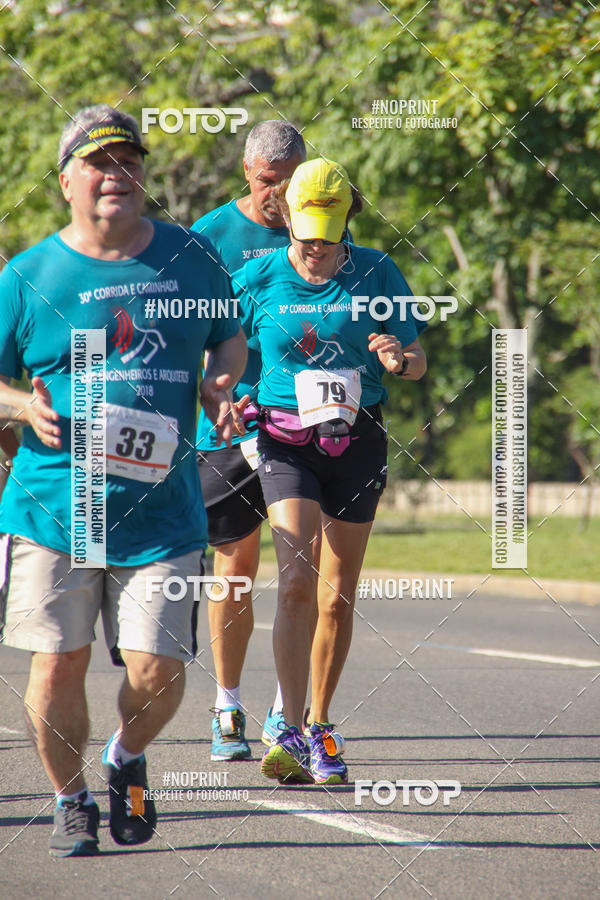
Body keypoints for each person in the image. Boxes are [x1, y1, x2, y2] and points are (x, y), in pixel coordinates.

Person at [0, 105, 247, 856]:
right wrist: (18, 405)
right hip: (54, 505)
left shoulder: (190, 258)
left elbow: (228, 340)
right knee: (58, 662)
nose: (117, 175)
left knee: (161, 670)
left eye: (129, 162)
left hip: (163, 512)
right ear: (68, 180)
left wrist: (220, 385)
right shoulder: (27, 275)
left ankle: (124, 758)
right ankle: (70, 798)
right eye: (100, 164)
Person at [232, 157, 427, 785]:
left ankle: (320, 724)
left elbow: (418, 359)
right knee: (294, 580)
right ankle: (287, 726)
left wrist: (398, 358)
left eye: (327, 237)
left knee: (337, 595)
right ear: (286, 219)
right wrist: (229, 395)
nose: (315, 250)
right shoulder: (256, 278)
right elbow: (227, 355)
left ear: (346, 224)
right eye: (304, 236)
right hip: (285, 441)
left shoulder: (377, 272)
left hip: (358, 439)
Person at [191, 120, 315, 760]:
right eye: (271, 181)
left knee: (301, 570)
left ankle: (284, 713)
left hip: (302, 424)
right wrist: (208, 392)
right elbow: (180, 331)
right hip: (228, 424)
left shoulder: (323, 226)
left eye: (292, 179)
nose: (282, 194)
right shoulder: (209, 238)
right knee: (235, 567)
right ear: (248, 171)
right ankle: (227, 704)